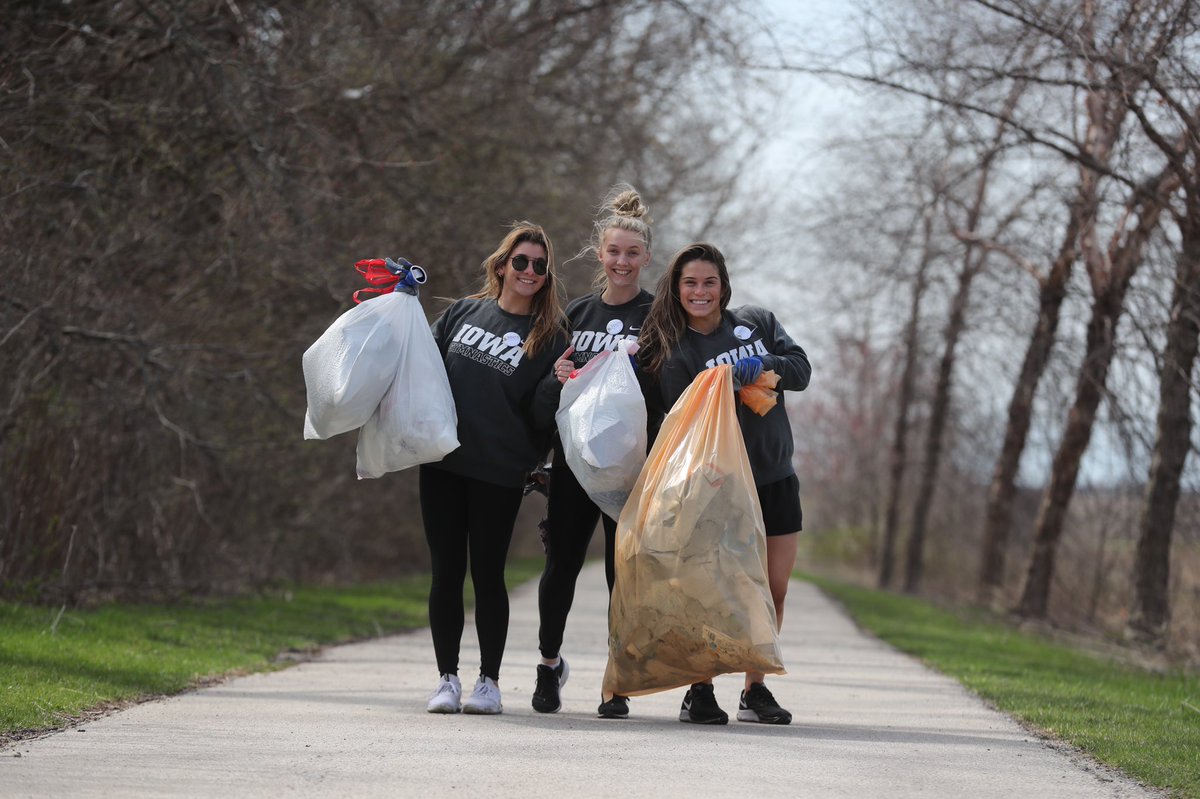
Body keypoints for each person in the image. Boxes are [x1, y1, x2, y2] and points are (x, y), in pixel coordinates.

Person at [635, 242, 811, 725]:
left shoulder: (757, 323)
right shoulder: (677, 351)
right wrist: (724, 382)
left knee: (772, 588)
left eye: (708, 282)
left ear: (723, 285)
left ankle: (755, 690)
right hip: (716, 485)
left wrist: (765, 365)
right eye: (689, 283)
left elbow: (801, 370)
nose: (699, 291)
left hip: (775, 476)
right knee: (709, 589)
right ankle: (701, 688)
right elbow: (682, 414)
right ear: (676, 289)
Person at [421, 222, 568, 715]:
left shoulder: (549, 336)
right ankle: (447, 679)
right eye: (521, 261)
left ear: (546, 277)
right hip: (443, 463)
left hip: (500, 473)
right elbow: (421, 365)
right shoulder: (464, 312)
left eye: (540, 267)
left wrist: (558, 383)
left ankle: (488, 682)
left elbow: (542, 416)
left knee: (487, 574)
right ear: (502, 264)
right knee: (446, 571)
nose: (529, 272)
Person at [532, 185, 655, 720]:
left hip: (633, 470)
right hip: (575, 466)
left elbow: (668, 385)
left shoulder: (660, 315)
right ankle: (548, 664)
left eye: (632, 253)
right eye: (614, 252)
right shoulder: (575, 315)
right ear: (599, 254)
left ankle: (617, 680)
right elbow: (546, 390)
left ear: (646, 258)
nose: (622, 261)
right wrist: (557, 377)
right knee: (561, 567)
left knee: (621, 576)